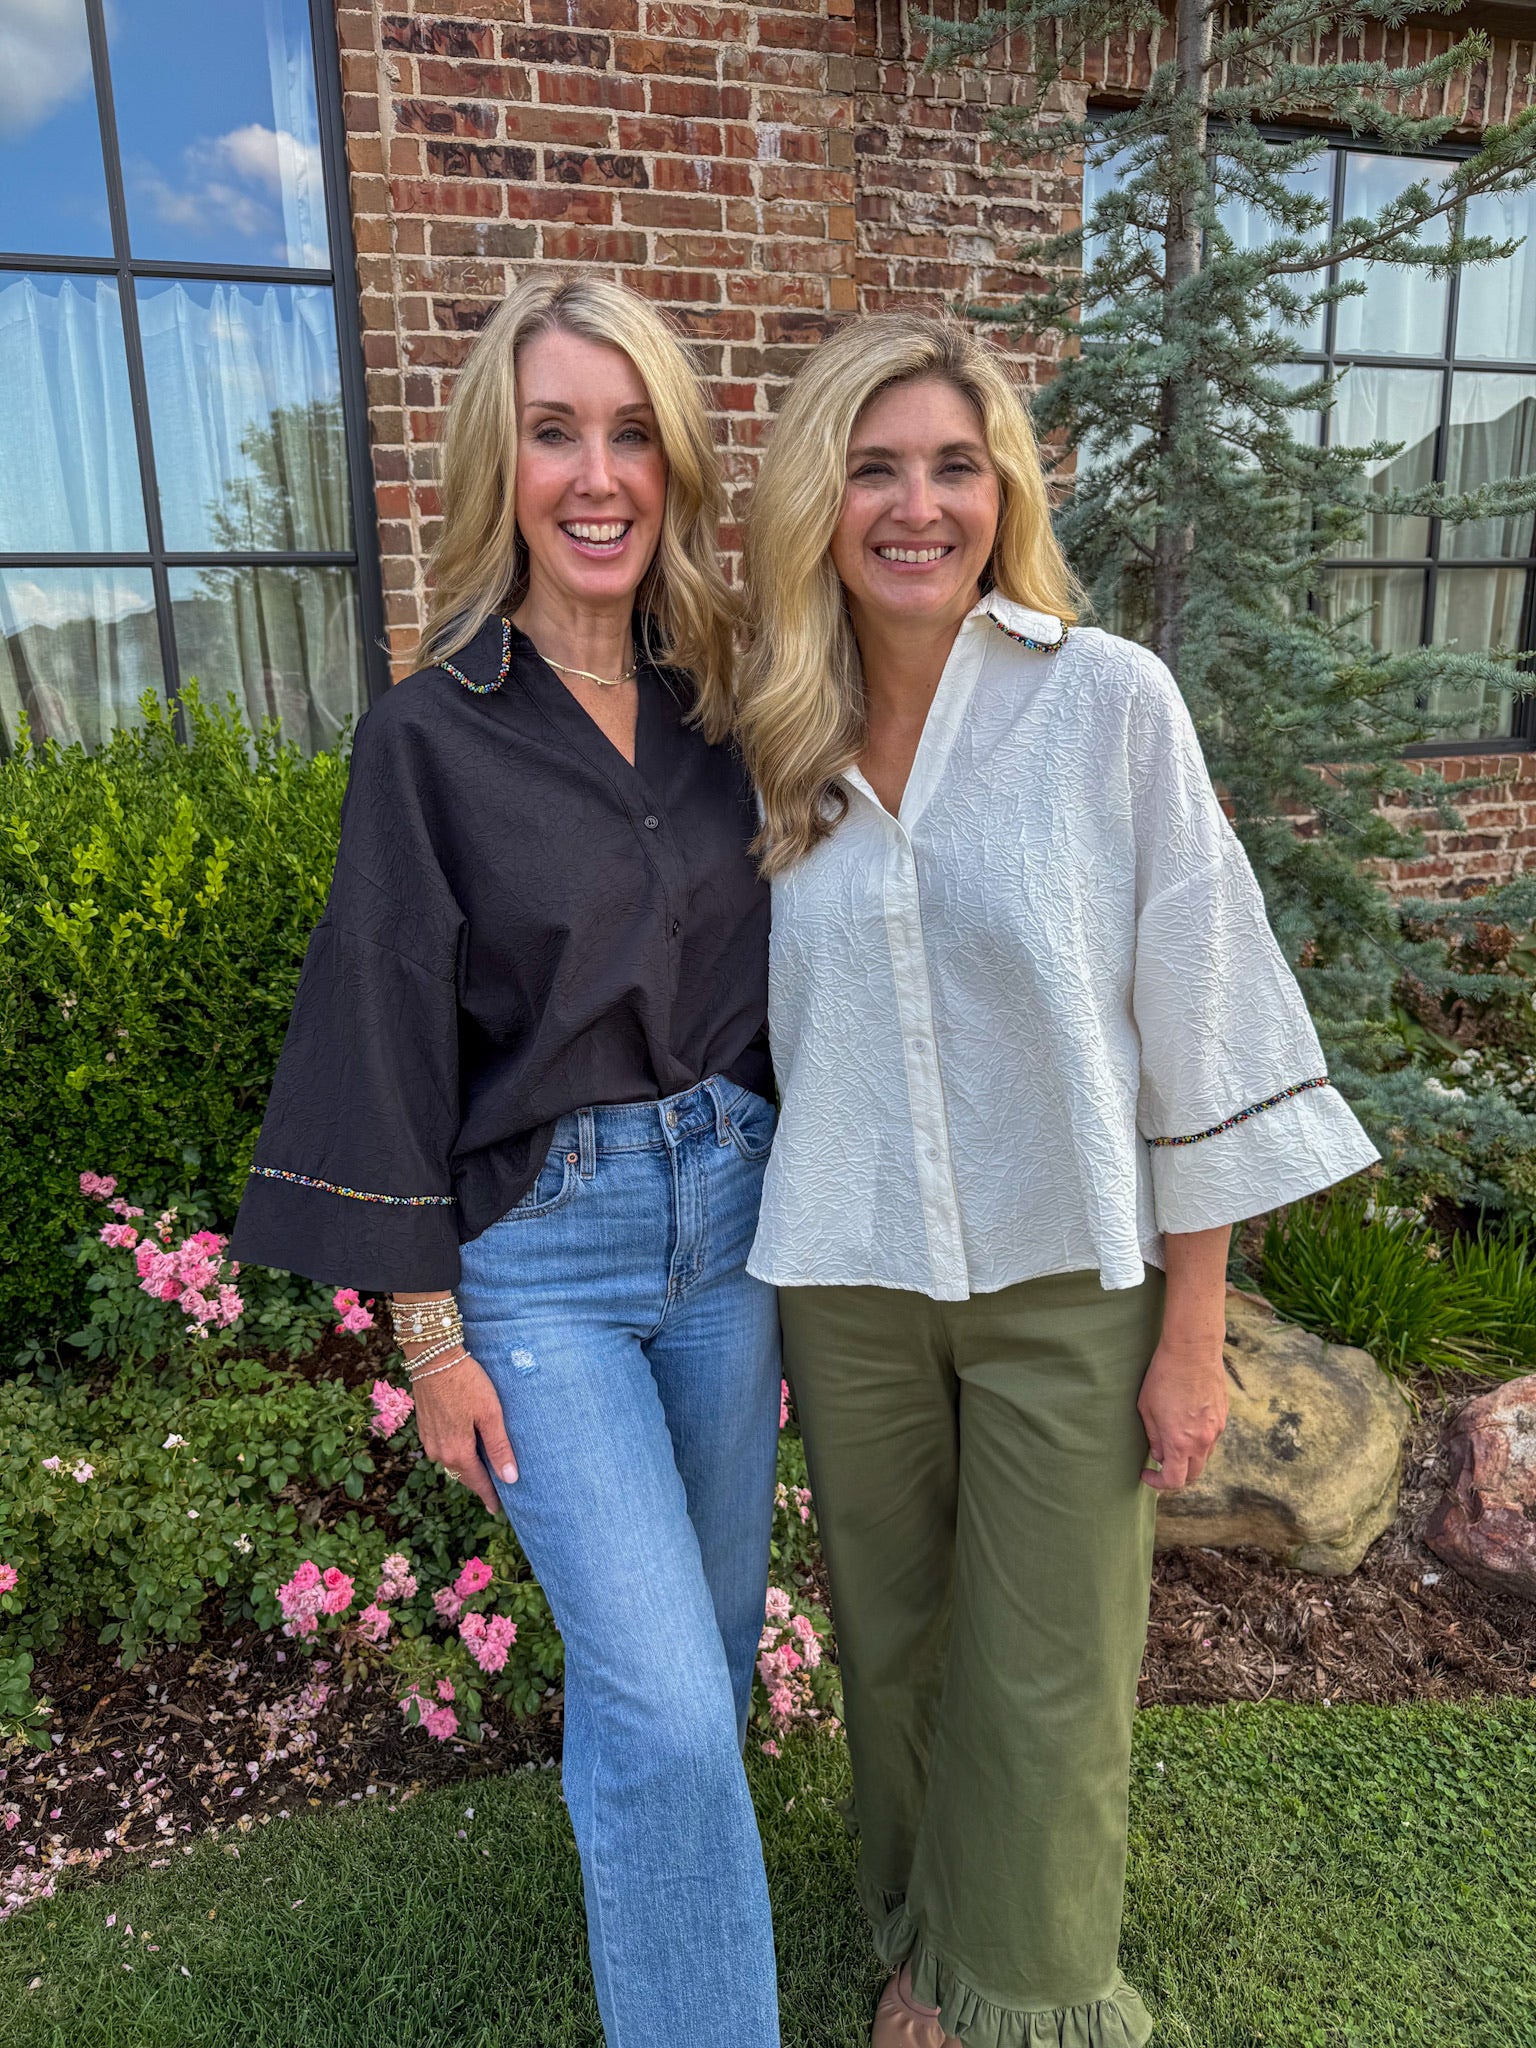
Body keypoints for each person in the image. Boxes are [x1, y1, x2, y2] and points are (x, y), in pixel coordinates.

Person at [735, 314, 1378, 2048]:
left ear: (1005, 490)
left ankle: (1012, 1998)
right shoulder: (774, 729)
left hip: (1071, 1274)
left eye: (956, 466)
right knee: (898, 1645)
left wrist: (1195, 1327)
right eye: (874, 468)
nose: (916, 506)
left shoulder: (1108, 705)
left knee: (1051, 1664)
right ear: (818, 499)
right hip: (851, 1277)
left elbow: (1204, 1019)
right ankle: (922, 1933)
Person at [230, 274, 782, 2048]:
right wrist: (429, 1337)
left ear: (675, 461)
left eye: (631, 434)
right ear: (503, 462)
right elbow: (384, 1014)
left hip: (736, 1235)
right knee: (672, 1705)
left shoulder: (732, 704)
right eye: (556, 433)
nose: (596, 475)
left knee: (691, 1673)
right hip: (547, 1255)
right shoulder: (430, 734)